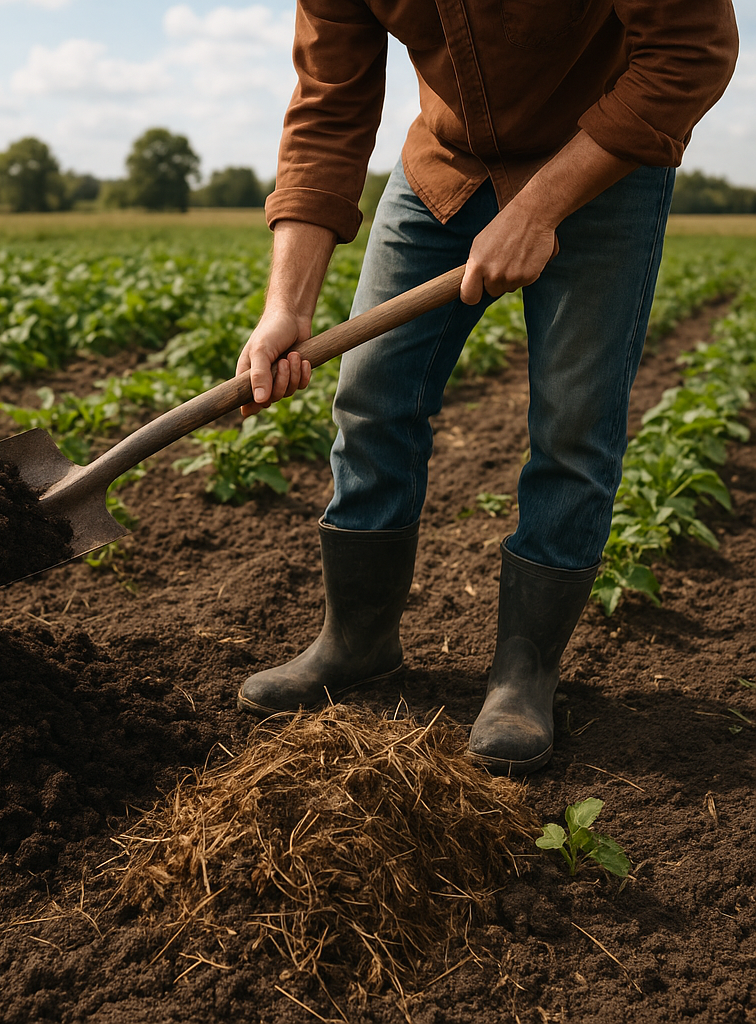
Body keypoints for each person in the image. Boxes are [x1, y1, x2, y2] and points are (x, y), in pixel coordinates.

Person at [234, 0, 738, 775]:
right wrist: (285, 307)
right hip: (445, 163)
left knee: (574, 422)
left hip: (601, 158)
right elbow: (328, 105)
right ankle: (357, 641)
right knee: (370, 396)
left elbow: (690, 51)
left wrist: (538, 206)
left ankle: (523, 676)